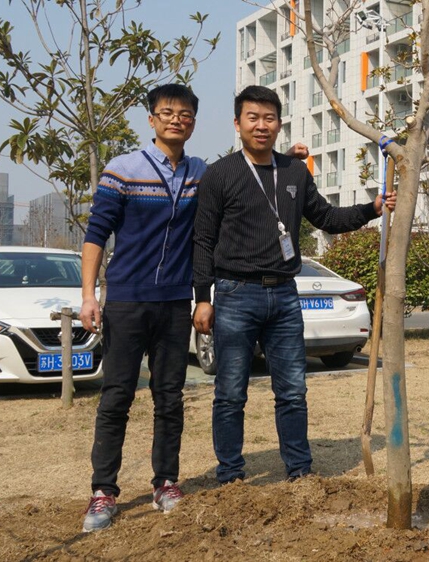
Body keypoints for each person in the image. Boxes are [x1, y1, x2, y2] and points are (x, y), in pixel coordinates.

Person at [192, 85, 396, 484]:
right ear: (238, 124)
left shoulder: (294, 172)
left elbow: (327, 217)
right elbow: (203, 240)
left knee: (292, 391)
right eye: (253, 118)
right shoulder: (219, 174)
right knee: (230, 392)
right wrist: (203, 297)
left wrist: (371, 208)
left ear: (279, 124)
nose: (261, 125)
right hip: (235, 294)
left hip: (285, 295)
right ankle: (230, 475)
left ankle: (300, 472)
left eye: (269, 118)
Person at [79, 84, 206, 533]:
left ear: (193, 122)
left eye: (185, 114)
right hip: (127, 300)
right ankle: (103, 491)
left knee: (169, 397)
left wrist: (289, 157)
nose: (176, 119)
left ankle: (166, 482)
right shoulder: (123, 169)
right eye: (167, 112)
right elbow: (96, 234)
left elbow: (241, 178)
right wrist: (89, 295)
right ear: (151, 119)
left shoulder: (200, 173)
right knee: (117, 396)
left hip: (174, 302)